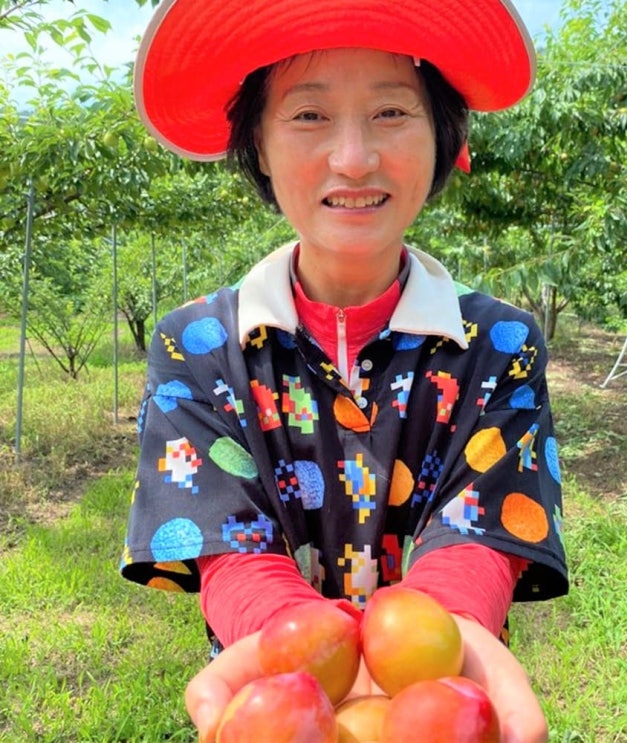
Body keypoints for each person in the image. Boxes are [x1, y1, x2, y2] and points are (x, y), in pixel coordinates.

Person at [121, 0, 569, 740]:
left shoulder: (498, 343)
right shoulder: (196, 347)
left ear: (442, 136)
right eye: (307, 116)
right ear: (257, 144)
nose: (354, 158)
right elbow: (227, 543)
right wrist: (300, 652)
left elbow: (480, 531)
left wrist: (433, 642)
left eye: (392, 111)